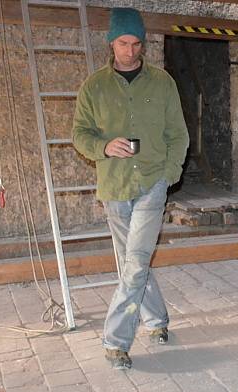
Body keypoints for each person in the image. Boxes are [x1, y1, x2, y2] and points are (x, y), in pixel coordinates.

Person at [72, 7, 189, 369]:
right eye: (123, 43)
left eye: (137, 43)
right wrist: (103, 147)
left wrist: (169, 174)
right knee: (133, 265)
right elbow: (80, 134)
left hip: (152, 183)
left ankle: (116, 341)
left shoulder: (162, 82)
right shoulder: (94, 86)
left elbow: (178, 135)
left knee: (136, 262)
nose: (130, 50)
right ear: (111, 42)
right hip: (115, 186)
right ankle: (157, 321)